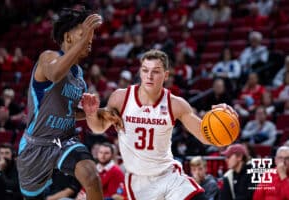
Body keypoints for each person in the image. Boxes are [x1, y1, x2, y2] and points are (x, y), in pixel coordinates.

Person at [82, 49, 237, 200]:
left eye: (155, 71)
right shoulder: (121, 98)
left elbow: (205, 136)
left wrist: (227, 124)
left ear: (166, 75)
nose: (149, 76)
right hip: (139, 181)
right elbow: (98, 127)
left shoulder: (175, 104)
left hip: (168, 175)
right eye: (145, 70)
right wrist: (90, 114)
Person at [16, 7, 120, 200]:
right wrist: (81, 43)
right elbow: (55, 74)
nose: (90, 39)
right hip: (36, 145)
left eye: (91, 35)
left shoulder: (79, 77)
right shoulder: (48, 57)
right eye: (83, 34)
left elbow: (68, 112)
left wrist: (94, 112)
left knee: (91, 176)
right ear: (68, 37)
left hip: (65, 140)